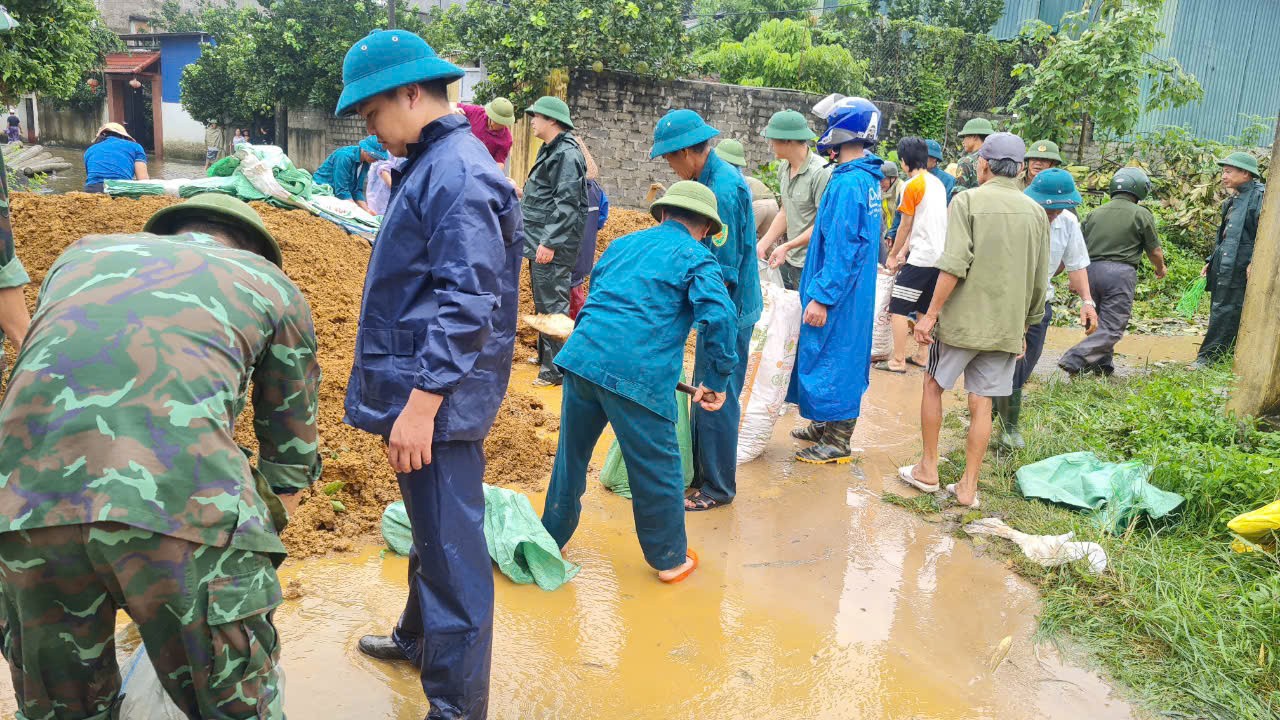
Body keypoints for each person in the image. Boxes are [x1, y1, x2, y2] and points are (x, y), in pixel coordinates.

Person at [0, 194, 320, 719]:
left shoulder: (79, 256)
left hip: (22, 506)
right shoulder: (270, 284)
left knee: (61, 710)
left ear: (166, 231)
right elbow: (289, 453)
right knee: (236, 706)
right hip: (183, 505)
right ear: (257, 251)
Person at [336, 30, 523, 719]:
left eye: (371, 113)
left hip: (435, 401)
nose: (370, 127)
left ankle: (456, 707)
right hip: (425, 391)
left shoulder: (459, 173)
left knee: (453, 559)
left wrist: (420, 407)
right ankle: (418, 639)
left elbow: (468, 301)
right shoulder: (433, 161)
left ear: (410, 94)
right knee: (431, 531)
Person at [542, 181, 737, 582]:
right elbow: (718, 317)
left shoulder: (622, 245)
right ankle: (669, 560)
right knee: (658, 467)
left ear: (664, 213)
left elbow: (603, 297)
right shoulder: (697, 257)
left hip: (582, 360)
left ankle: (551, 537)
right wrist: (716, 379)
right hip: (640, 375)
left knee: (571, 458)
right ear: (704, 228)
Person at [898, 133, 1049, 508]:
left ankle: (928, 470)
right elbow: (1038, 278)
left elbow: (952, 265)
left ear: (983, 164)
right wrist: (1026, 328)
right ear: (1019, 169)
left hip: (962, 323)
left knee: (933, 384)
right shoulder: (1035, 212)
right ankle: (968, 488)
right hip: (1006, 327)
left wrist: (929, 315)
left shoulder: (967, 201)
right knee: (982, 401)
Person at [650, 109, 761, 511]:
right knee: (704, 390)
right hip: (718, 305)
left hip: (729, 308)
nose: (670, 167)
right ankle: (702, 475)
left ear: (686, 152)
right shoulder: (705, 179)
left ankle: (717, 488)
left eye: (669, 159)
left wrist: (702, 312)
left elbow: (724, 268)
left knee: (717, 392)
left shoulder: (723, 190)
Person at [787, 98, 883, 464]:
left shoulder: (849, 184)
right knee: (829, 353)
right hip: (851, 289)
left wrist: (823, 297)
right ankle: (824, 424)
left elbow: (844, 246)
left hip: (840, 292)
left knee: (835, 356)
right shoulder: (863, 179)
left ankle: (839, 440)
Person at [996, 168, 1098, 448]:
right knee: (1009, 360)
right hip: (1008, 300)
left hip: (1041, 303)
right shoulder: (1016, 215)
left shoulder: (1068, 223)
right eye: (1048, 209)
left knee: (1027, 361)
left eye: (1060, 209)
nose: (1053, 214)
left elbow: (1076, 264)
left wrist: (1087, 301)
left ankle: (999, 407)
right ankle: (1008, 427)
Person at [1058, 167, 1167, 377]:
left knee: (1097, 319)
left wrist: (1075, 279)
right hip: (1120, 273)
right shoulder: (1141, 213)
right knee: (1113, 325)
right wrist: (1160, 268)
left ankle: (1101, 365)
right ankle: (1075, 358)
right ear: (1140, 190)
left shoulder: (1095, 213)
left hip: (1090, 271)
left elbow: (1076, 247)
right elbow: (1154, 250)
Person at [522, 95, 587, 388]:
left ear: (551, 120)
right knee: (543, 300)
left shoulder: (567, 154)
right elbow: (547, 196)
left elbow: (567, 204)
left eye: (536, 116)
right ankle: (545, 357)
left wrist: (550, 242)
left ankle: (556, 370)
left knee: (553, 303)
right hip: (539, 239)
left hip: (551, 244)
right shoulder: (552, 150)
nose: (532, 121)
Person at [881, 137, 949, 374]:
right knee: (923, 306)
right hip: (939, 258)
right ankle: (922, 356)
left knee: (897, 308)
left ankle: (897, 360)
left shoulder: (912, 186)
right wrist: (902, 253)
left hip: (922, 258)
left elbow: (905, 225)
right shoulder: (936, 184)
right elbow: (924, 223)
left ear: (903, 161)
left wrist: (892, 255)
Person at [1196, 152, 1265, 366]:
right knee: (1220, 307)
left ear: (1245, 173)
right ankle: (1220, 355)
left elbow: (1266, 235)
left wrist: (1257, 261)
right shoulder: (1232, 200)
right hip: (1224, 265)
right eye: (1223, 171)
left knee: (1230, 309)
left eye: (1228, 171)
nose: (1223, 176)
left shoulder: (1260, 197)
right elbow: (1224, 235)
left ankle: (1209, 358)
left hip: (1242, 266)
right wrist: (1211, 260)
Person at [755, 110, 831, 292]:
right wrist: (763, 244)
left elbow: (824, 223)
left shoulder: (821, 173)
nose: (771, 144)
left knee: (806, 315)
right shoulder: (784, 168)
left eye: (773, 139)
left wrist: (787, 245)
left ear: (788, 140)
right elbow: (785, 212)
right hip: (788, 258)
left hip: (812, 262)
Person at [569, 144, 609, 319]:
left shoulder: (568, 189)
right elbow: (601, 219)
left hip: (565, 256)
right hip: (585, 255)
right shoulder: (598, 191)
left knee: (570, 300)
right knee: (576, 289)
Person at [715, 139, 778, 242]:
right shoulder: (740, 175)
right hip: (773, 204)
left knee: (744, 239)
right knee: (768, 243)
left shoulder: (730, 178)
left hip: (758, 205)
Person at [314, 134, 388, 214]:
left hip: (337, 195)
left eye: (378, 158)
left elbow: (357, 190)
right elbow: (341, 191)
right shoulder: (344, 157)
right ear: (365, 150)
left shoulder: (366, 162)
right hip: (321, 192)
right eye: (374, 157)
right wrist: (357, 210)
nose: (376, 160)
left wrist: (367, 210)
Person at [82, 122, 148, 193]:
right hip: (120, 189)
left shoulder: (89, 150)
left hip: (91, 189)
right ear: (123, 136)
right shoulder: (135, 147)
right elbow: (143, 180)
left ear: (102, 135)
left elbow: (92, 177)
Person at [457, 97, 515, 166]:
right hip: (458, 156)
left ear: (506, 122)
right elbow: (451, 105)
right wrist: (454, 110)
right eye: (493, 119)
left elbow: (499, 163)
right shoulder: (476, 112)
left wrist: (495, 175)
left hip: (477, 169)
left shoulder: (506, 140)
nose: (493, 124)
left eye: (498, 122)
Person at [951, 117, 994, 199]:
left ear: (974, 136)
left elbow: (958, 196)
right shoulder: (997, 159)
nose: (963, 141)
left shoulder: (965, 162)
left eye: (965, 136)